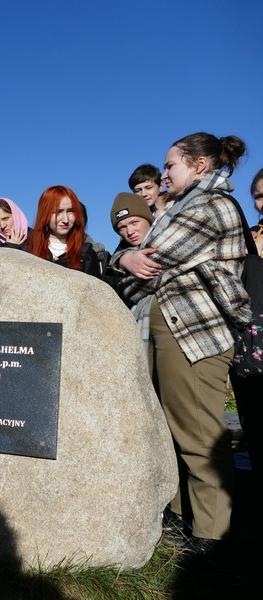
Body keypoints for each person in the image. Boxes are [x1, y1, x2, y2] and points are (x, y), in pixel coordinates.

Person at [114, 133, 250, 557]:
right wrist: (125, 260)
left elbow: (154, 257)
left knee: (198, 431)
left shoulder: (210, 205)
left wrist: (127, 259)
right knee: (173, 428)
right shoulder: (182, 206)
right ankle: (181, 514)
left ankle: (212, 533)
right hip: (173, 329)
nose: (164, 173)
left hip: (194, 332)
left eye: (170, 165)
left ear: (199, 166)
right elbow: (136, 267)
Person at [228, 167, 263, 521]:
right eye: (259, 195)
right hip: (248, 340)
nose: (262, 202)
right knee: (253, 421)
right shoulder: (249, 238)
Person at [26, 185, 100, 276]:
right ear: (44, 214)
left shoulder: (86, 254)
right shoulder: (28, 249)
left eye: (70, 211)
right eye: (58, 212)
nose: (65, 220)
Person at [104, 193, 154, 307]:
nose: (130, 231)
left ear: (149, 219)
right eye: (122, 227)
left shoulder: (170, 239)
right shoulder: (111, 268)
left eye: (134, 222)